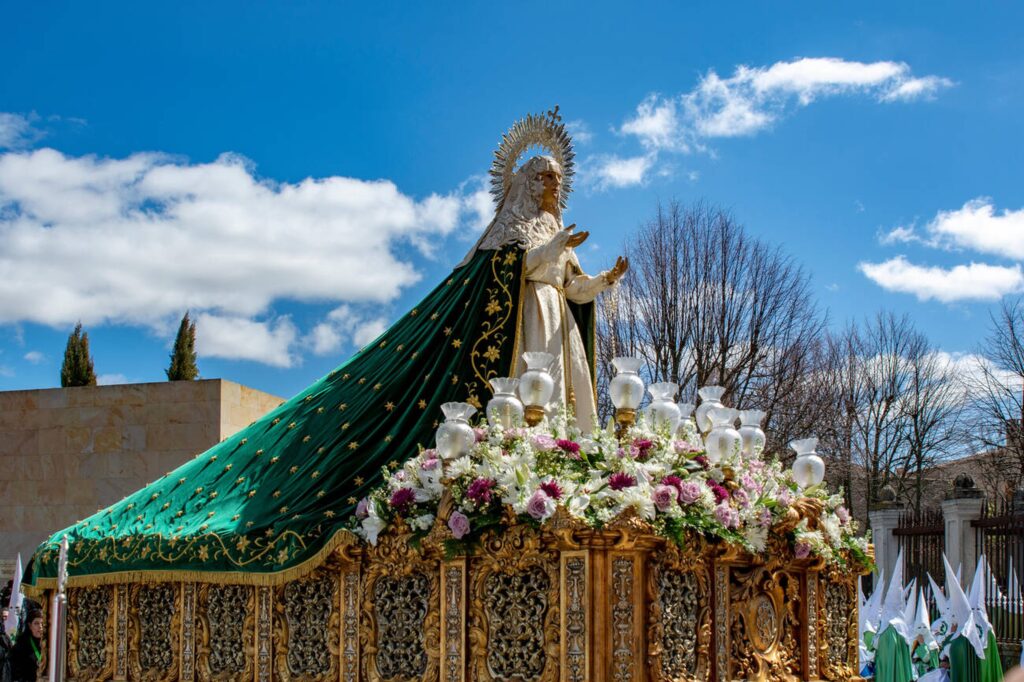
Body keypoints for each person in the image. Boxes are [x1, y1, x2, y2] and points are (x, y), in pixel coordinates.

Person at [9, 609, 41, 682]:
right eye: (36, 623)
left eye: (42, 623)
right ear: (30, 625)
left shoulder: (49, 645)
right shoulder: (21, 646)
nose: (40, 627)